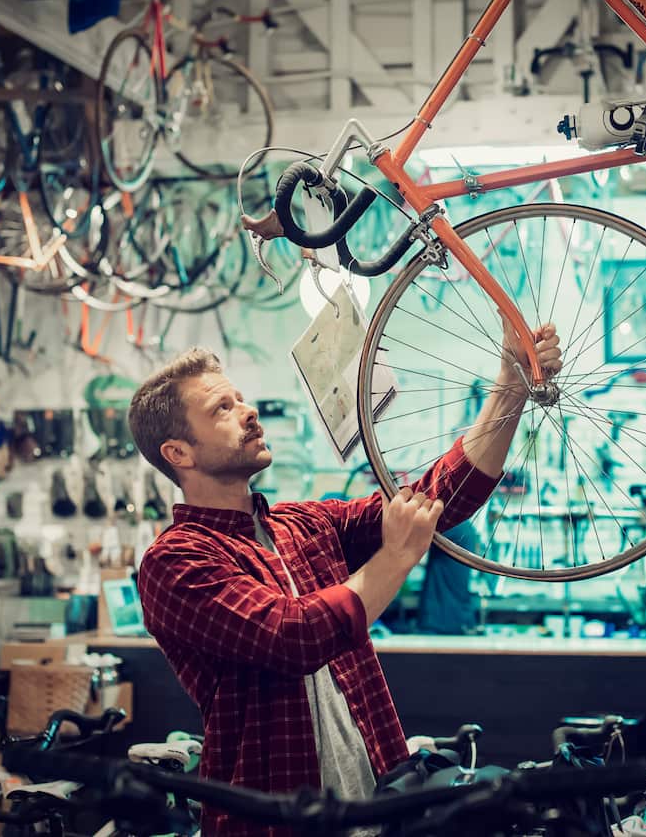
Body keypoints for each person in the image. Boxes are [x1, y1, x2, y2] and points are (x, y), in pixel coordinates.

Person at [127, 320, 561, 837]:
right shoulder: (175, 561)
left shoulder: (305, 523)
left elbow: (439, 499)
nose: (248, 412)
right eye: (222, 408)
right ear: (179, 454)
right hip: (273, 822)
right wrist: (396, 558)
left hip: (378, 807)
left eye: (240, 398)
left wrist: (511, 381)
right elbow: (295, 636)